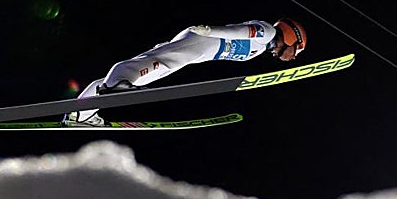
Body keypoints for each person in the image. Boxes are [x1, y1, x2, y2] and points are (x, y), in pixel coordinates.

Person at [62, 18, 308, 126]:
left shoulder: (263, 47)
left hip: (200, 50)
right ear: (290, 36)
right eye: (295, 50)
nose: (291, 57)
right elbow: (241, 32)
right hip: (202, 41)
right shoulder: (267, 32)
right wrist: (211, 31)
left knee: (153, 67)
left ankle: (79, 115)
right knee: (158, 62)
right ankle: (116, 84)